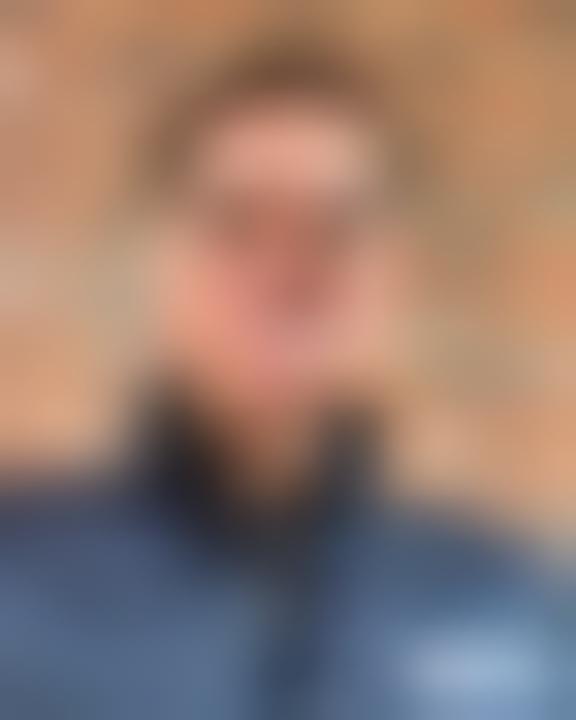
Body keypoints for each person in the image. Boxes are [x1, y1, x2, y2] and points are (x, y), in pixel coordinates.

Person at [0, 45, 553, 719]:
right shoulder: (17, 585)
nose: (288, 273)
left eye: (335, 227)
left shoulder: (514, 618)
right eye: (238, 223)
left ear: (396, 276)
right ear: (159, 268)